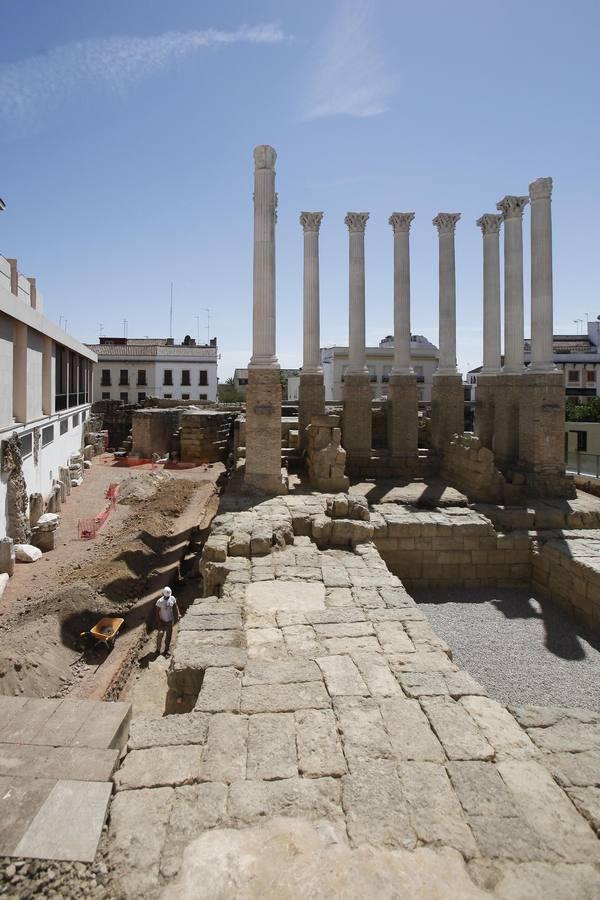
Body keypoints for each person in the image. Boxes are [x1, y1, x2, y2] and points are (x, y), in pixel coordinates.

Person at [154, 586, 180, 657]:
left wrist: (178, 614)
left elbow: (175, 606)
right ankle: (158, 650)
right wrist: (159, 623)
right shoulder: (159, 602)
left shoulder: (172, 598)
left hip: (170, 620)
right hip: (162, 621)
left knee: (168, 635)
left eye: (168, 597)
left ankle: (166, 650)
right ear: (163, 595)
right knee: (160, 634)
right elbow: (157, 613)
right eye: (166, 597)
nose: (167, 598)